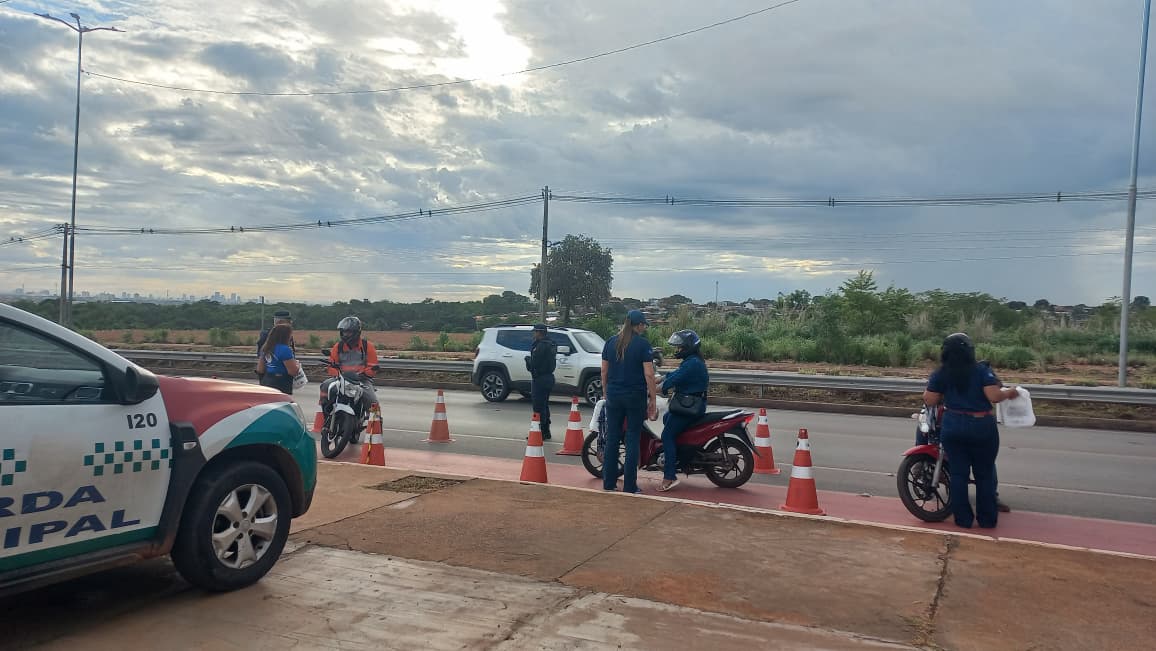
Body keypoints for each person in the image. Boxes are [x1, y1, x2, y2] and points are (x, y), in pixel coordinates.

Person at [922, 333, 1019, 529]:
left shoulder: (941, 373)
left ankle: (963, 520)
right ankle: (987, 520)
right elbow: (994, 396)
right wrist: (1010, 392)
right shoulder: (981, 371)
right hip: (981, 426)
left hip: (952, 425)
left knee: (958, 474)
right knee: (984, 474)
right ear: (970, 351)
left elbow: (929, 400)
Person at [914, 358, 1011, 513]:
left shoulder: (981, 370)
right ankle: (921, 467)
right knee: (922, 429)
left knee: (983, 464)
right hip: (945, 418)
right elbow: (929, 396)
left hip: (960, 421)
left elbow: (995, 391)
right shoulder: (946, 371)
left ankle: (991, 496)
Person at [600, 309, 658, 494]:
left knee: (612, 438)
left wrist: (605, 391)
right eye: (644, 325)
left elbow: (604, 371)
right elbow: (649, 374)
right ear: (639, 325)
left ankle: (608, 483)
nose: (644, 328)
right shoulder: (642, 345)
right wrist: (653, 399)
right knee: (632, 438)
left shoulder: (610, 342)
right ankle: (630, 485)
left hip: (614, 395)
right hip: (635, 396)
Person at [657, 329, 709, 492]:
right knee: (666, 419)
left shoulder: (692, 363)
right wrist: (658, 378)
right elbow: (675, 374)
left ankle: (669, 476)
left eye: (679, 347)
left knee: (667, 435)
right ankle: (680, 457)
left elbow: (674, 379)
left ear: (687, 347)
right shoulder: (692, 361)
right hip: (691, 405)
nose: (677, 350)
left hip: (688, 407)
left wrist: (655, 388)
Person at [321, 316, 379, 416]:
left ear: (356, 332)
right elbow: (332, 365)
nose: (346, 334)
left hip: (361, 380)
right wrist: (337, 374)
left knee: (373, 402)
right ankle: (326, 416)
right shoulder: (338, 346)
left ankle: (376, 426)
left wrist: (366, 373)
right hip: (341, 379)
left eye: (349, 332)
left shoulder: (367, 346)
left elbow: (373, 365)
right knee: (325, 385)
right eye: (344, 331)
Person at [526, 323, 557, 440]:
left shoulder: (540, 346)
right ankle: (546, 431)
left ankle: (540, 432)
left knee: (538, 406)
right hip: (549, 377)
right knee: (544, 405)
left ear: (539, 332)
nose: (534, 334)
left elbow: (535, 364)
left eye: (535, 332)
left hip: (540, 378)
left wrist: (528, 361)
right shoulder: (551, 343)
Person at [256, 324, 300, 395]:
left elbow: (260, 369)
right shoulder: (285, 350)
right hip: (281, 384)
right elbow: (292, 371)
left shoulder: (266, 348)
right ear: (286, 336)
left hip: (267, 382)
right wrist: (297, 365)